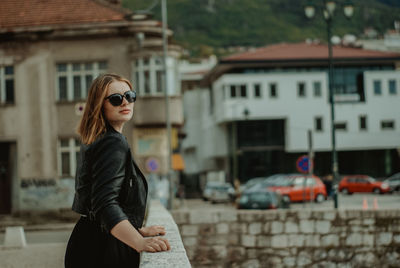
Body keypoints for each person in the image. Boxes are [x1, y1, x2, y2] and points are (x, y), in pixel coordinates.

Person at [65, 73, 170, 268]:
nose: (125, 102)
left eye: (130, 96)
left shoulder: (98, 139)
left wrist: (135, 230)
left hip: (91, 243)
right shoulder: (112, 142)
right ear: (99, 105)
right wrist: (139, 242)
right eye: (115, 99)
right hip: (101, 251)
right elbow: (104, 203)